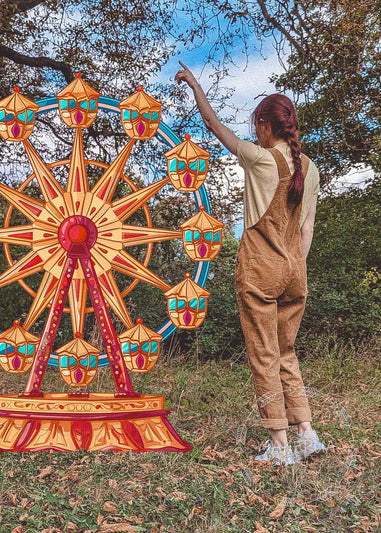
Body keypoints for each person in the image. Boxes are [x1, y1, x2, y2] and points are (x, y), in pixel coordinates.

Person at [175, 61, 326, 465]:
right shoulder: (310, 169)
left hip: (261, 267)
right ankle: (306, 433)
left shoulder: (260, 159)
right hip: (296, 268)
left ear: (264, 124)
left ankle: (279, 444)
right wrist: (293, 263)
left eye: (256, 123)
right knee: (286, 351)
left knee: (263, 351)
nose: (253, 130)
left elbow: (212, 124)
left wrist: (193, 83)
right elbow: (307, 227)